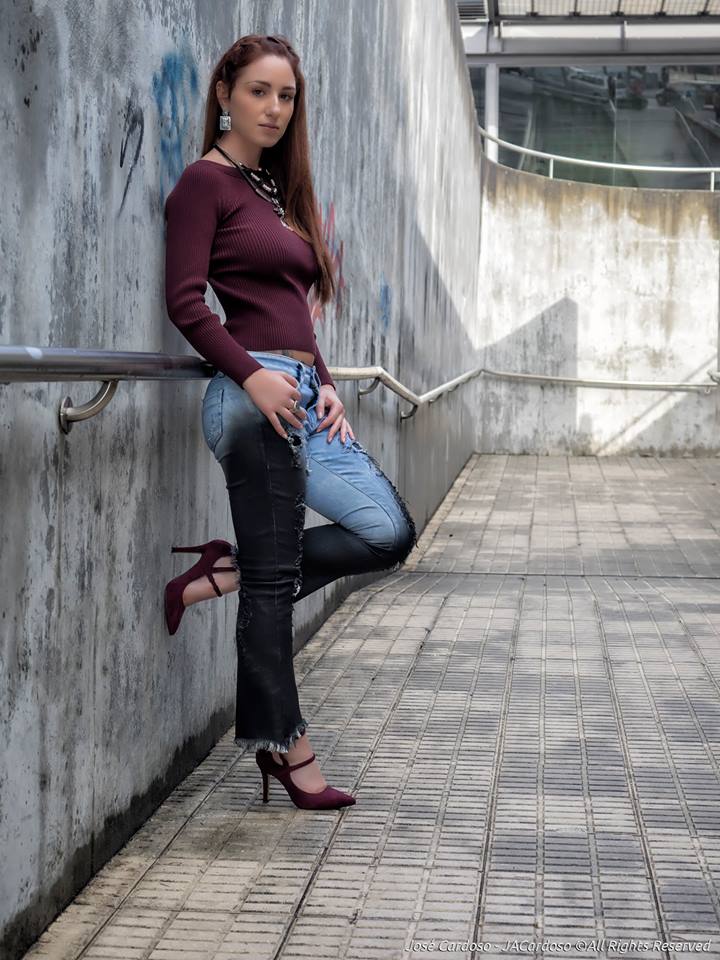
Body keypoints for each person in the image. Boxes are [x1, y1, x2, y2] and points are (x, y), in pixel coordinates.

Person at [162, 35, 417, 811]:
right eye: (259, 92)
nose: (274, 109)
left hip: (301, 393)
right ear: (224, 94)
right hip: (251, 397)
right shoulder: (203, 185)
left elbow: (292, 310)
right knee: (275, 590)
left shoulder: (274, 189)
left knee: (387, 531)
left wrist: (327, 384)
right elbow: (186, 303)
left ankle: (226, 571)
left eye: (287, 96)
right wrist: (252, 375)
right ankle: (288, 749)